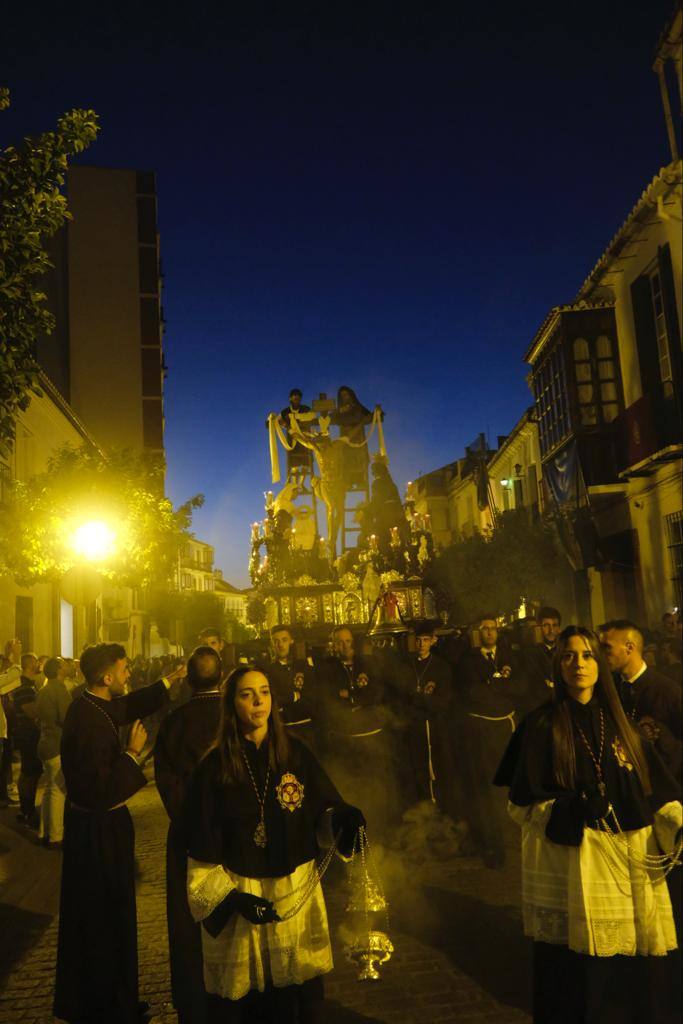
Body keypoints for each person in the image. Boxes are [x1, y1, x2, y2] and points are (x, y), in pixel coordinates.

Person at [495, 625, 682, 1024]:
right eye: (568, 656)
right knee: (579, 986)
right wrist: (571, 810)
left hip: (630, 872)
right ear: (557, 665)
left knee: (632, 982)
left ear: (600, 664)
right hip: (574, 874)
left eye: (587, 655)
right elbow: (520, 807)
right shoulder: (540, 726)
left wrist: (677, 825)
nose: (578, 664)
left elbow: (659, 796)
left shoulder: (624, 726)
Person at [184, 665, 364, 1023]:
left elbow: (319, 816)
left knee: (300, 996)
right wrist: (233, 899)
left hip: (293, 889)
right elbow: (201, 848)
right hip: (243, 892)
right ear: (232, 704)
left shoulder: (296, 753)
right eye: (247, 694)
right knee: (253, 1004)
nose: (258, 702)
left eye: (264, 692)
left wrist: (342, 819)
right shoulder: (213, 768)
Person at [54, 642, 184, 1024]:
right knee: (105, 921)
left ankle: (115, 1000)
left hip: (98, 831)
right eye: (125, 670)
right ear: (106, 677)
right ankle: (108, 1007)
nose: (129, 674)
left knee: (112, 919)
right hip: (97, 834)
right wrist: (132, 754)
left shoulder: (93, 704)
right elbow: (101, 791)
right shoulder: (91, 722)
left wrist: (167, 682)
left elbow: (129, 705)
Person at [155, 646, 224, 1024]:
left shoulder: (174, 721)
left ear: (190, 679)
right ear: (221, 675)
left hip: (186, 834)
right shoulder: (232, 718)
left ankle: (193, 997)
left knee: (189, 922)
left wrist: (188, 820)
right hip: (230, 836)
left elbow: (166, 780)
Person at [458, 615, 521, 867]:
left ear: (498, 632)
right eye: (484, 629)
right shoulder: (468, 661)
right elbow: (472, 693)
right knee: (487, 787)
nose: (489, 633)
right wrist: (499, 686)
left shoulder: (511, 656)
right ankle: (492, 842)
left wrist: (493, 686)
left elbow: (520, 686)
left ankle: (513, 836)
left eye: (493, 628)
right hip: (482, 731)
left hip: (506, 728)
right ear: (478, 633)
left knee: (511, 784)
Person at [600, 619, 682, 782]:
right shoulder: (608, 689)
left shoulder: (668, 690)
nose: (601, 654)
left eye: (607, 648)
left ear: (630, 648)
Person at [255, 626, 317, 748]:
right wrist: (294, 696)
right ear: (271, 645)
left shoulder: (303, 667)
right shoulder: (267, 671)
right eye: (276, 641)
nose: (281, 644)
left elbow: (312, 695)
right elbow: (272, 699)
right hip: (281, 729)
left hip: (306, 727)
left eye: (284, 640)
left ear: (291, 641)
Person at [36, 656, 72, 847]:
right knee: (59, 790)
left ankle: (44, 831)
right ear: (59, 669)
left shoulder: (43, 689)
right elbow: (67, 717)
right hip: (56, 744)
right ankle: (56, 836)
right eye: (64, 664)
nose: (68, 666)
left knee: (49, 790)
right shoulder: (59, 689)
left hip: (44, 742)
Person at [12, 651, 43, 827]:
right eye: (37, 661)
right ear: (31, 664)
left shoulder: (28, 685)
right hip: (28, 734)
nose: (39, 664)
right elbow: (32, 712)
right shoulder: (25, 688)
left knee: (27, 772)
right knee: (31, 773)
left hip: (25, 733)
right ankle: (28, 810)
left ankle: (25, 810)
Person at [522, 606, 562, 711]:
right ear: (539, 628)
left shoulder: (564, 650)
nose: (551, 630)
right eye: (546, 625)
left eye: (555, 625)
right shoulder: (529, 653)